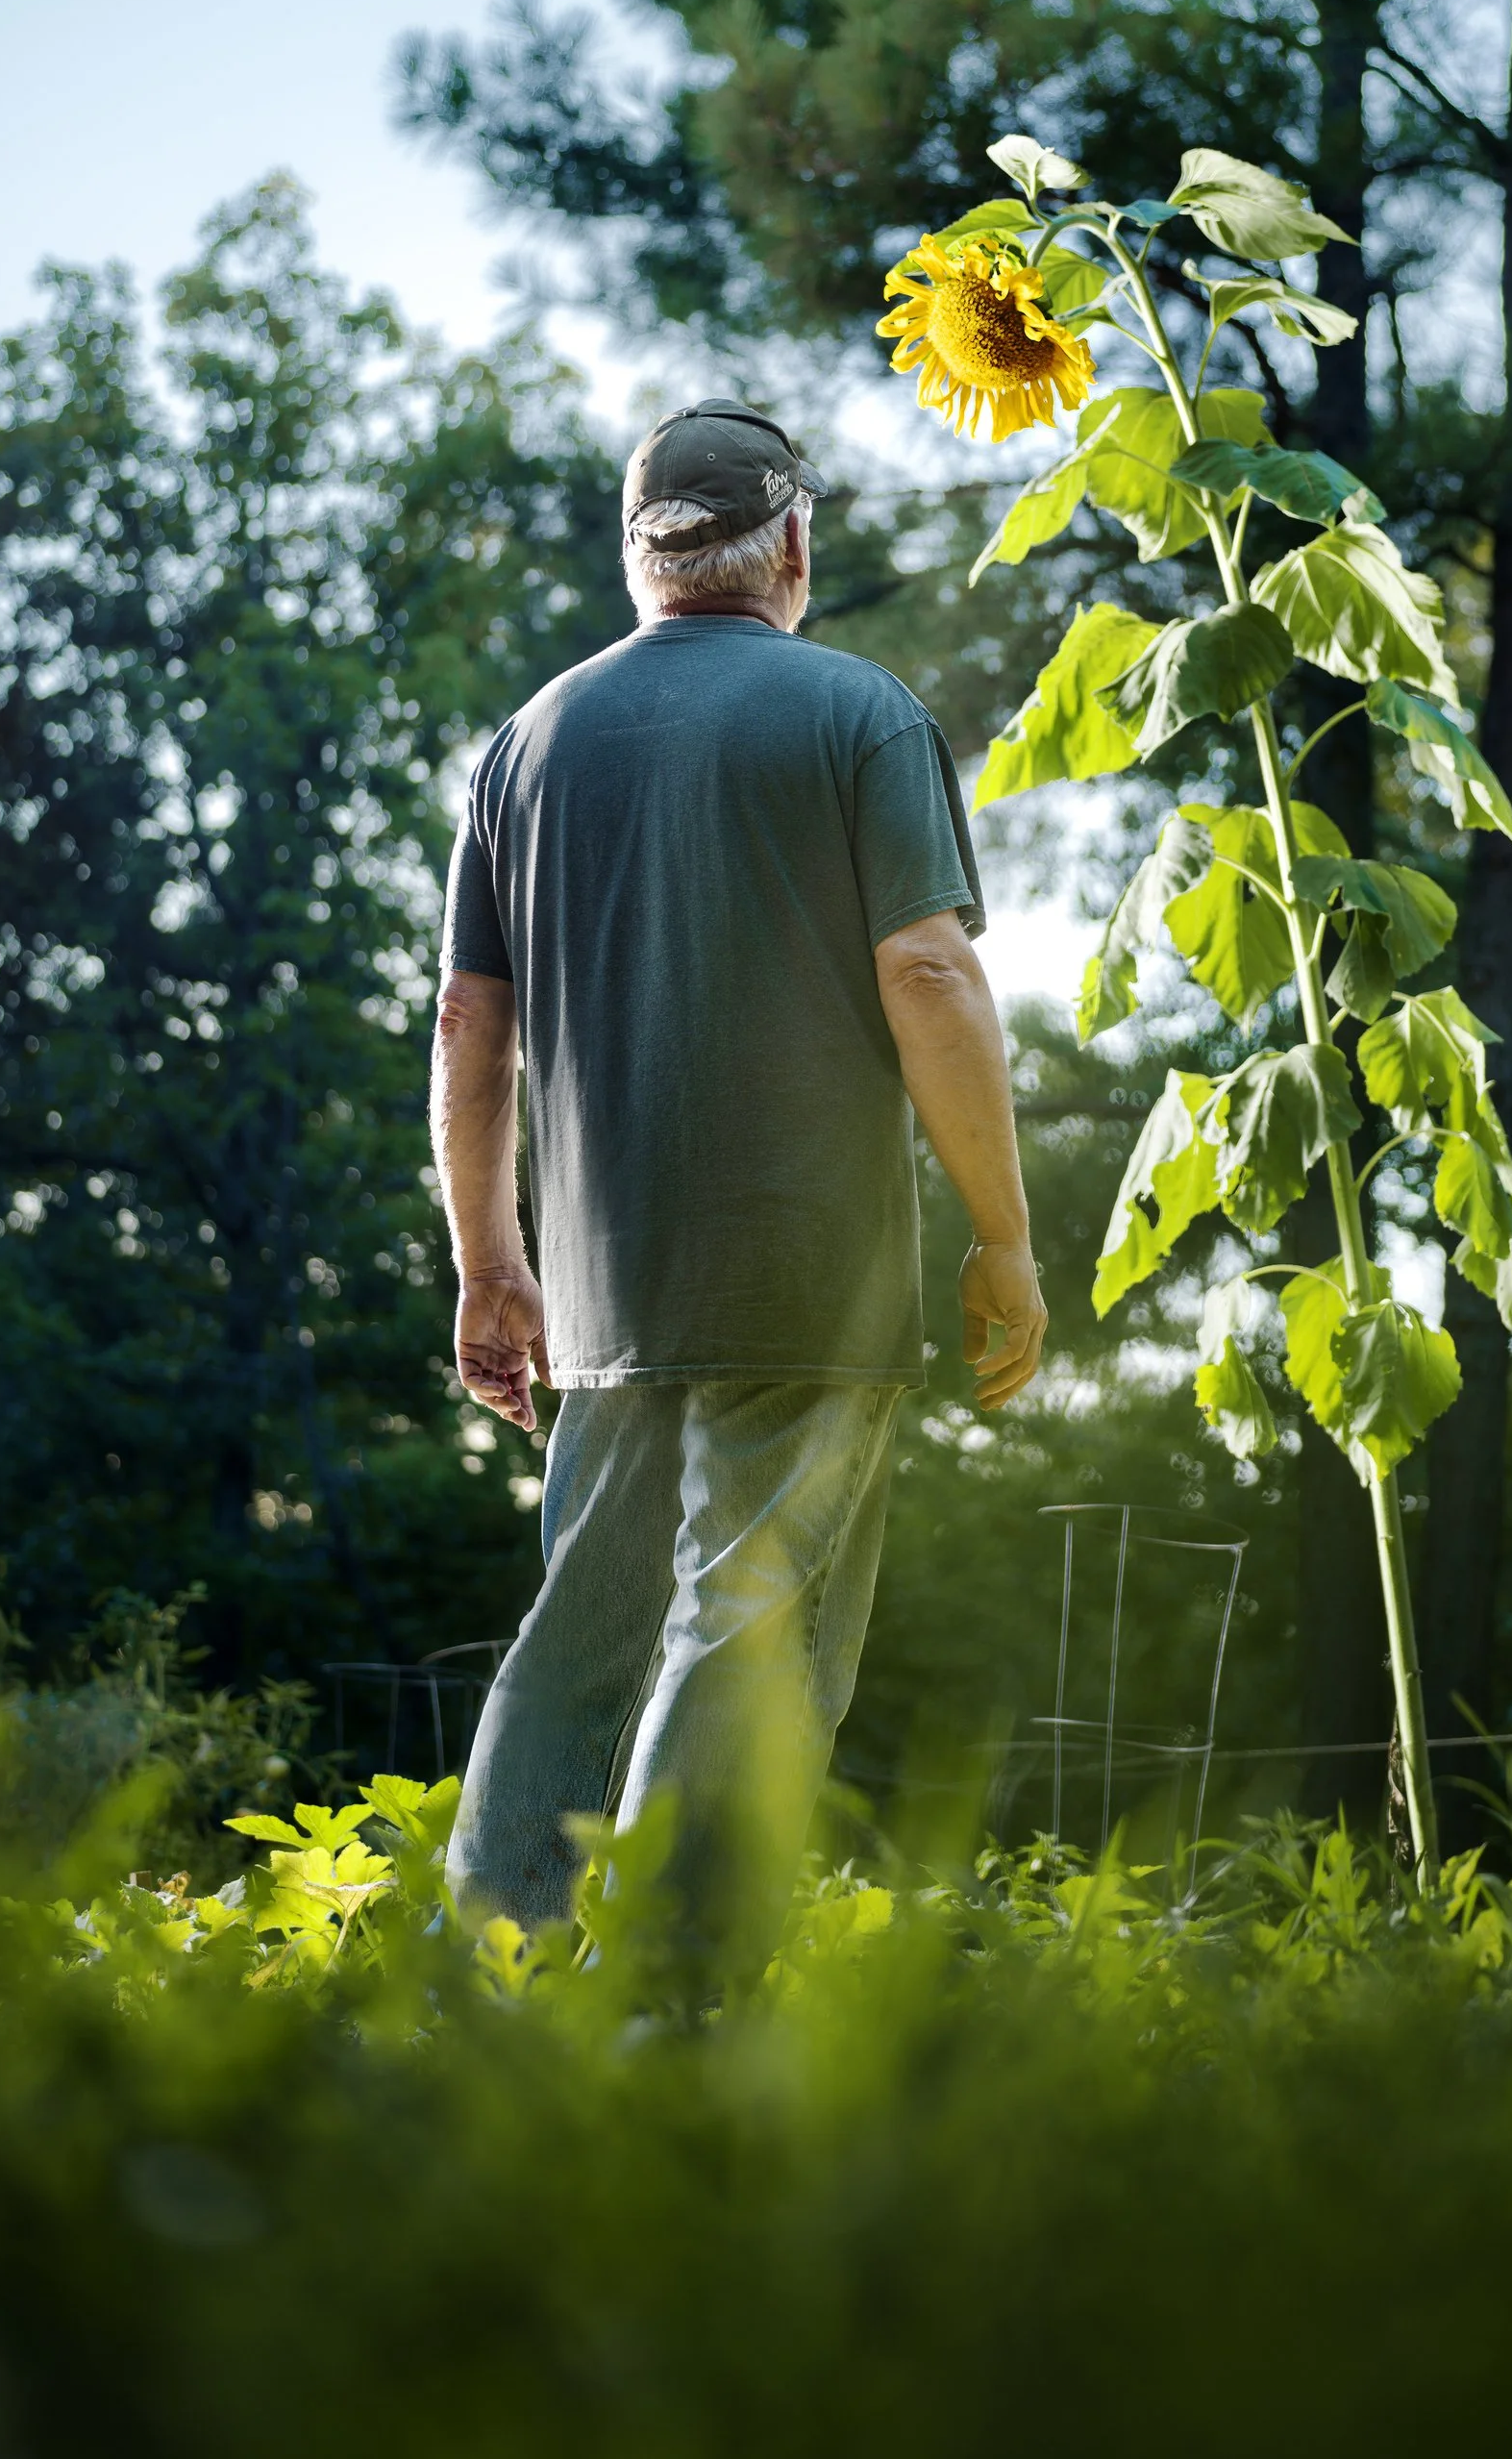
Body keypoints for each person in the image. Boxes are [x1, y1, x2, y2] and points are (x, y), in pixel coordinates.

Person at [430, 396, 1046, 1972]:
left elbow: (467, 1022)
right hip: (809, 1277)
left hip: (598, 1285)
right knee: (752, 1625)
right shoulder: (858, 713)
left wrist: (491, 1265)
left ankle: (500, 1964)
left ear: (639, 555)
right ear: (791, 540)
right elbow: (928, 968)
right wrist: (1004, 1240)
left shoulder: (526, 745)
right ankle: (668, 1992)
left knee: (584, 1629)